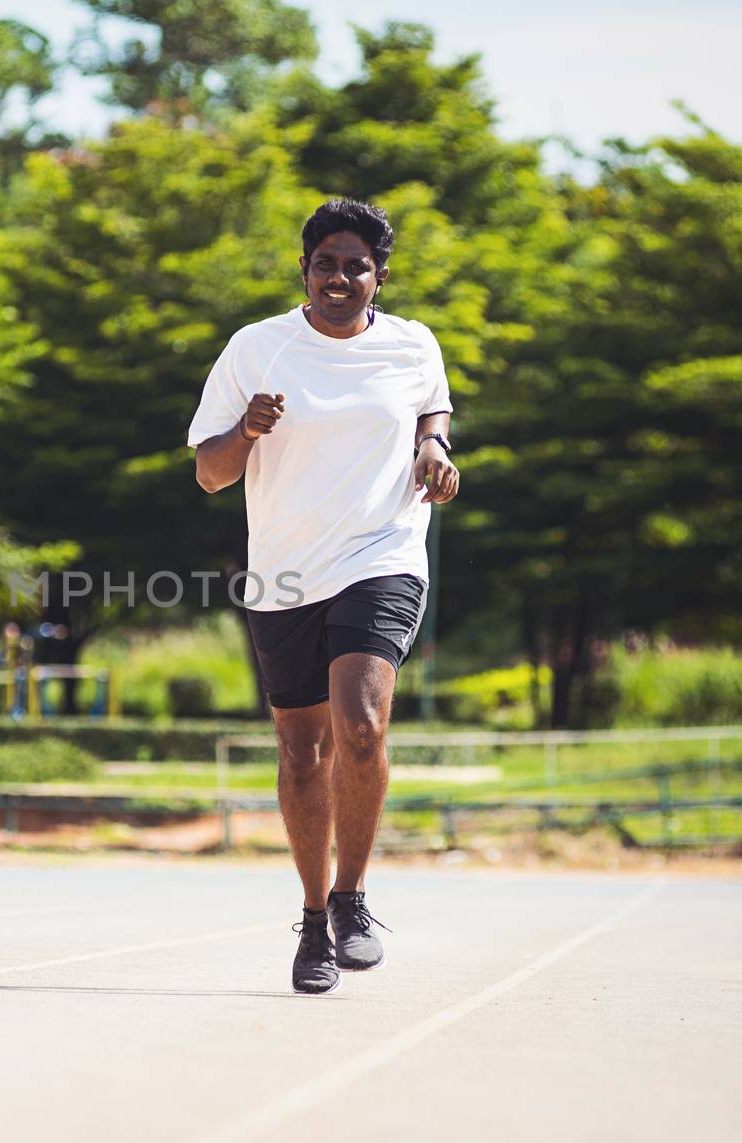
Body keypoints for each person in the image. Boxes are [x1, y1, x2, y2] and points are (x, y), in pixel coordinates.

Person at [187, 198, 460, 993]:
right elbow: (209, 473)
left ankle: (353, 897)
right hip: (283, 572)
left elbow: (431, 414)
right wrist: (246, 429)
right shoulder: (256, 349)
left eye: (357, 265)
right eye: (326, 264)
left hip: (383, 554)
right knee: (304, 754)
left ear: (379, 276)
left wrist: (436, 452)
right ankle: (312, 921)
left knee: (361, 724)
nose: (341, 277)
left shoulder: (413, 345)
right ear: (304, 271)